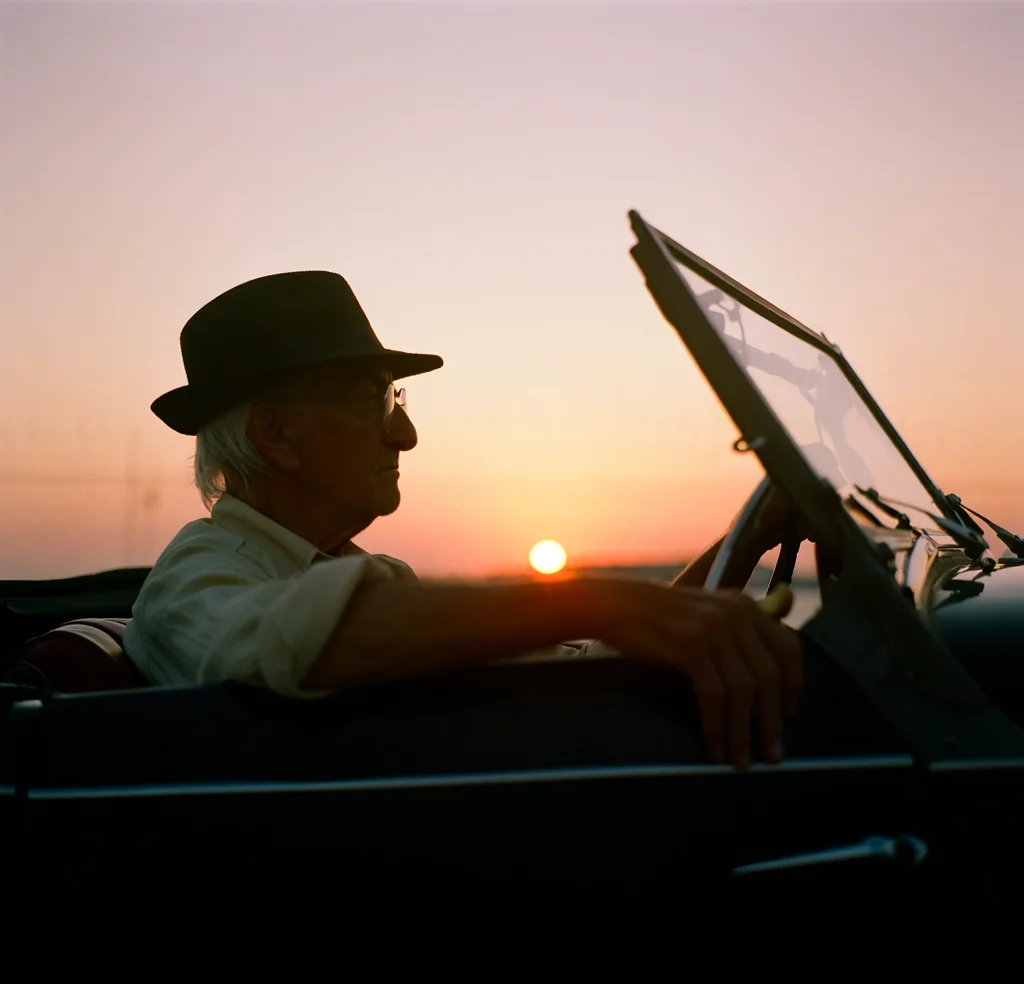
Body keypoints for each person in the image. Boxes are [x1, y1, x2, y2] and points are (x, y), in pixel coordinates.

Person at [124, 271, 803, 770]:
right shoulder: (194, 577)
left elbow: (582, 671)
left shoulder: (374, 580)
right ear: (275, 433)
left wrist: (743, 541)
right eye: (373, 399)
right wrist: (592, 599)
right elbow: (279, 645)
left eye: (396, 397)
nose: (405, 432)